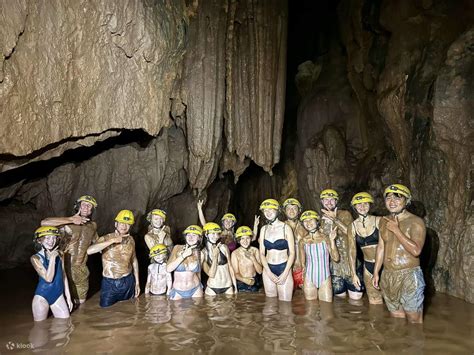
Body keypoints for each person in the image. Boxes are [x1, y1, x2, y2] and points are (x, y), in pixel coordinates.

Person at [373, 184, 426, 323]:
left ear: (406, 201)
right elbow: (381, 247)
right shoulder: (383, 221)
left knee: (414, 320)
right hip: (388, 275)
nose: (392, 202)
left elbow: (416, 251)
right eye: (388, 198)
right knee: (397, 318)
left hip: (409, 274)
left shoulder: (416, 222)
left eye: (397, 198)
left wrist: (396, 230)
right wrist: (376, 272)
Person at [41, 195, 99, 304]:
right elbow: (44, 222)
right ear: (78, 206)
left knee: (81, 305)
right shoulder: (66, 223)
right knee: (63, 303)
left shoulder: (93, 226)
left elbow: (97, 241)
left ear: (92, 210)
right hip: (65, 269)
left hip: (81, 269)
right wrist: (71, 219)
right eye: (84, 205)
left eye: (89, 206)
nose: (86, 207)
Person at [87, 210, 140, 308]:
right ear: (116, 224)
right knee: (106, 310)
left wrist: (137, 283)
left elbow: (134, 260)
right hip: (109, 283)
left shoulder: (131, 240)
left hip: (128, 281)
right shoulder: (106, 238)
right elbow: (89, 251)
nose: (124, 226)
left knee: (129, 309)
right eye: (122, 223)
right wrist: (113, 241)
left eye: (128, 224)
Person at [319, 189, 362, 300]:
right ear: (322, 202)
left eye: (332, 200)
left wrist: (335, 219)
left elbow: (351, 233)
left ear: (336, 201)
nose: (329, 202)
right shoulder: (320, 220)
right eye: (326, 200)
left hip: (350, 264)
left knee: (356, 299)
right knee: (340, 301)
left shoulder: (345, 214)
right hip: (334, 267)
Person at [348, 192, 383, 304]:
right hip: (368, 267)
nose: (362, 207)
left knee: (393, 301)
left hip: (385, 266)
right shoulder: (352, 226)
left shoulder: (379, 220)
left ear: (370, 205)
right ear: (354, 207)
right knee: (374, 302)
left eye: (365, 203)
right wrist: (353, 274)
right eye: (359, 204)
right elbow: (352, 251)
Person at [31, 226, 73, 321]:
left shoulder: (60, 254)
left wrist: (68, 297)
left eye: (54, 238)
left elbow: (64, 275)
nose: (51, 241)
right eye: (47, 238)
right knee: (40, 329)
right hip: (42, 297)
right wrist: (53, 257)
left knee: (65, 324)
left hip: (58, 295)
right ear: (39, 241)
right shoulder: (35, 258)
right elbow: (48, 279)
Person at [258, 199, 295, 302]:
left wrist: (285, 273)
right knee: (270, 306)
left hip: (284, 268)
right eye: (265, 210)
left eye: (271, 209)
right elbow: (261, 253)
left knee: (285, 307)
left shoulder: (286, 228)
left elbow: (292, 253)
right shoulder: (263, 229)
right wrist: (268, 272)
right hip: (268, 268)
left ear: (277, 210)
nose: (268, 212)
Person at [299, 210, 339, 302]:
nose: (308, 223)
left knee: (327, 310)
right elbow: (303, 264)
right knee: (310, 310)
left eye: (311, 220)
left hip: (325, 277)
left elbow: (336, 258)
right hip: (309, 278)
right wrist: (303, 279)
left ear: (317, 221)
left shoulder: (325, 238)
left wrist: (332, 241)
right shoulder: (302, 241)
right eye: (305, 221)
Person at [166, 225, 205, 300]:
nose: (191, 237)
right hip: (178, 291)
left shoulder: (200, 254)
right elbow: (168, 269)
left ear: (199, 238)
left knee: (198, 311)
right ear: (185, 236)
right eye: (188, 235)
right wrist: (183, 255)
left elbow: (198, 273)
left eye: (194, 235)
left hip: (196, 290)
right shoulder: (177, 248)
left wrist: (201, 287)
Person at [202, 222, 237, 296]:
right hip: (212, 287)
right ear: (206, 234)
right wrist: (215, 256)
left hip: (228, 286)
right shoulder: (204, 253)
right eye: (212, 233)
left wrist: (235, 286)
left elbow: (230, 267)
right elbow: (210, 274)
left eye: (217, 234)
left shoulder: (224, 247)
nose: (215, 236)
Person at [282, 198, 307, 289]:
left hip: (302, 269)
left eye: (294, 208)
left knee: (307, 301)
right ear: (284, 211)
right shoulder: (280, 227)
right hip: (286, 270)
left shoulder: (306, 226)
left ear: (299, 210)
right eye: (288, 208)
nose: (291, 211)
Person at [231, 226, 263, 292]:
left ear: (251, 239)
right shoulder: (235, 253)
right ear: (239, 240)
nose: (245, 241)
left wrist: (253, 258)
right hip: (241, 282)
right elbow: (235, 273)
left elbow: (260, 271)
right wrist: (245, 280)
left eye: (247, 238)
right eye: (242, 238)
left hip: (254, 281)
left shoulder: (255, 250)